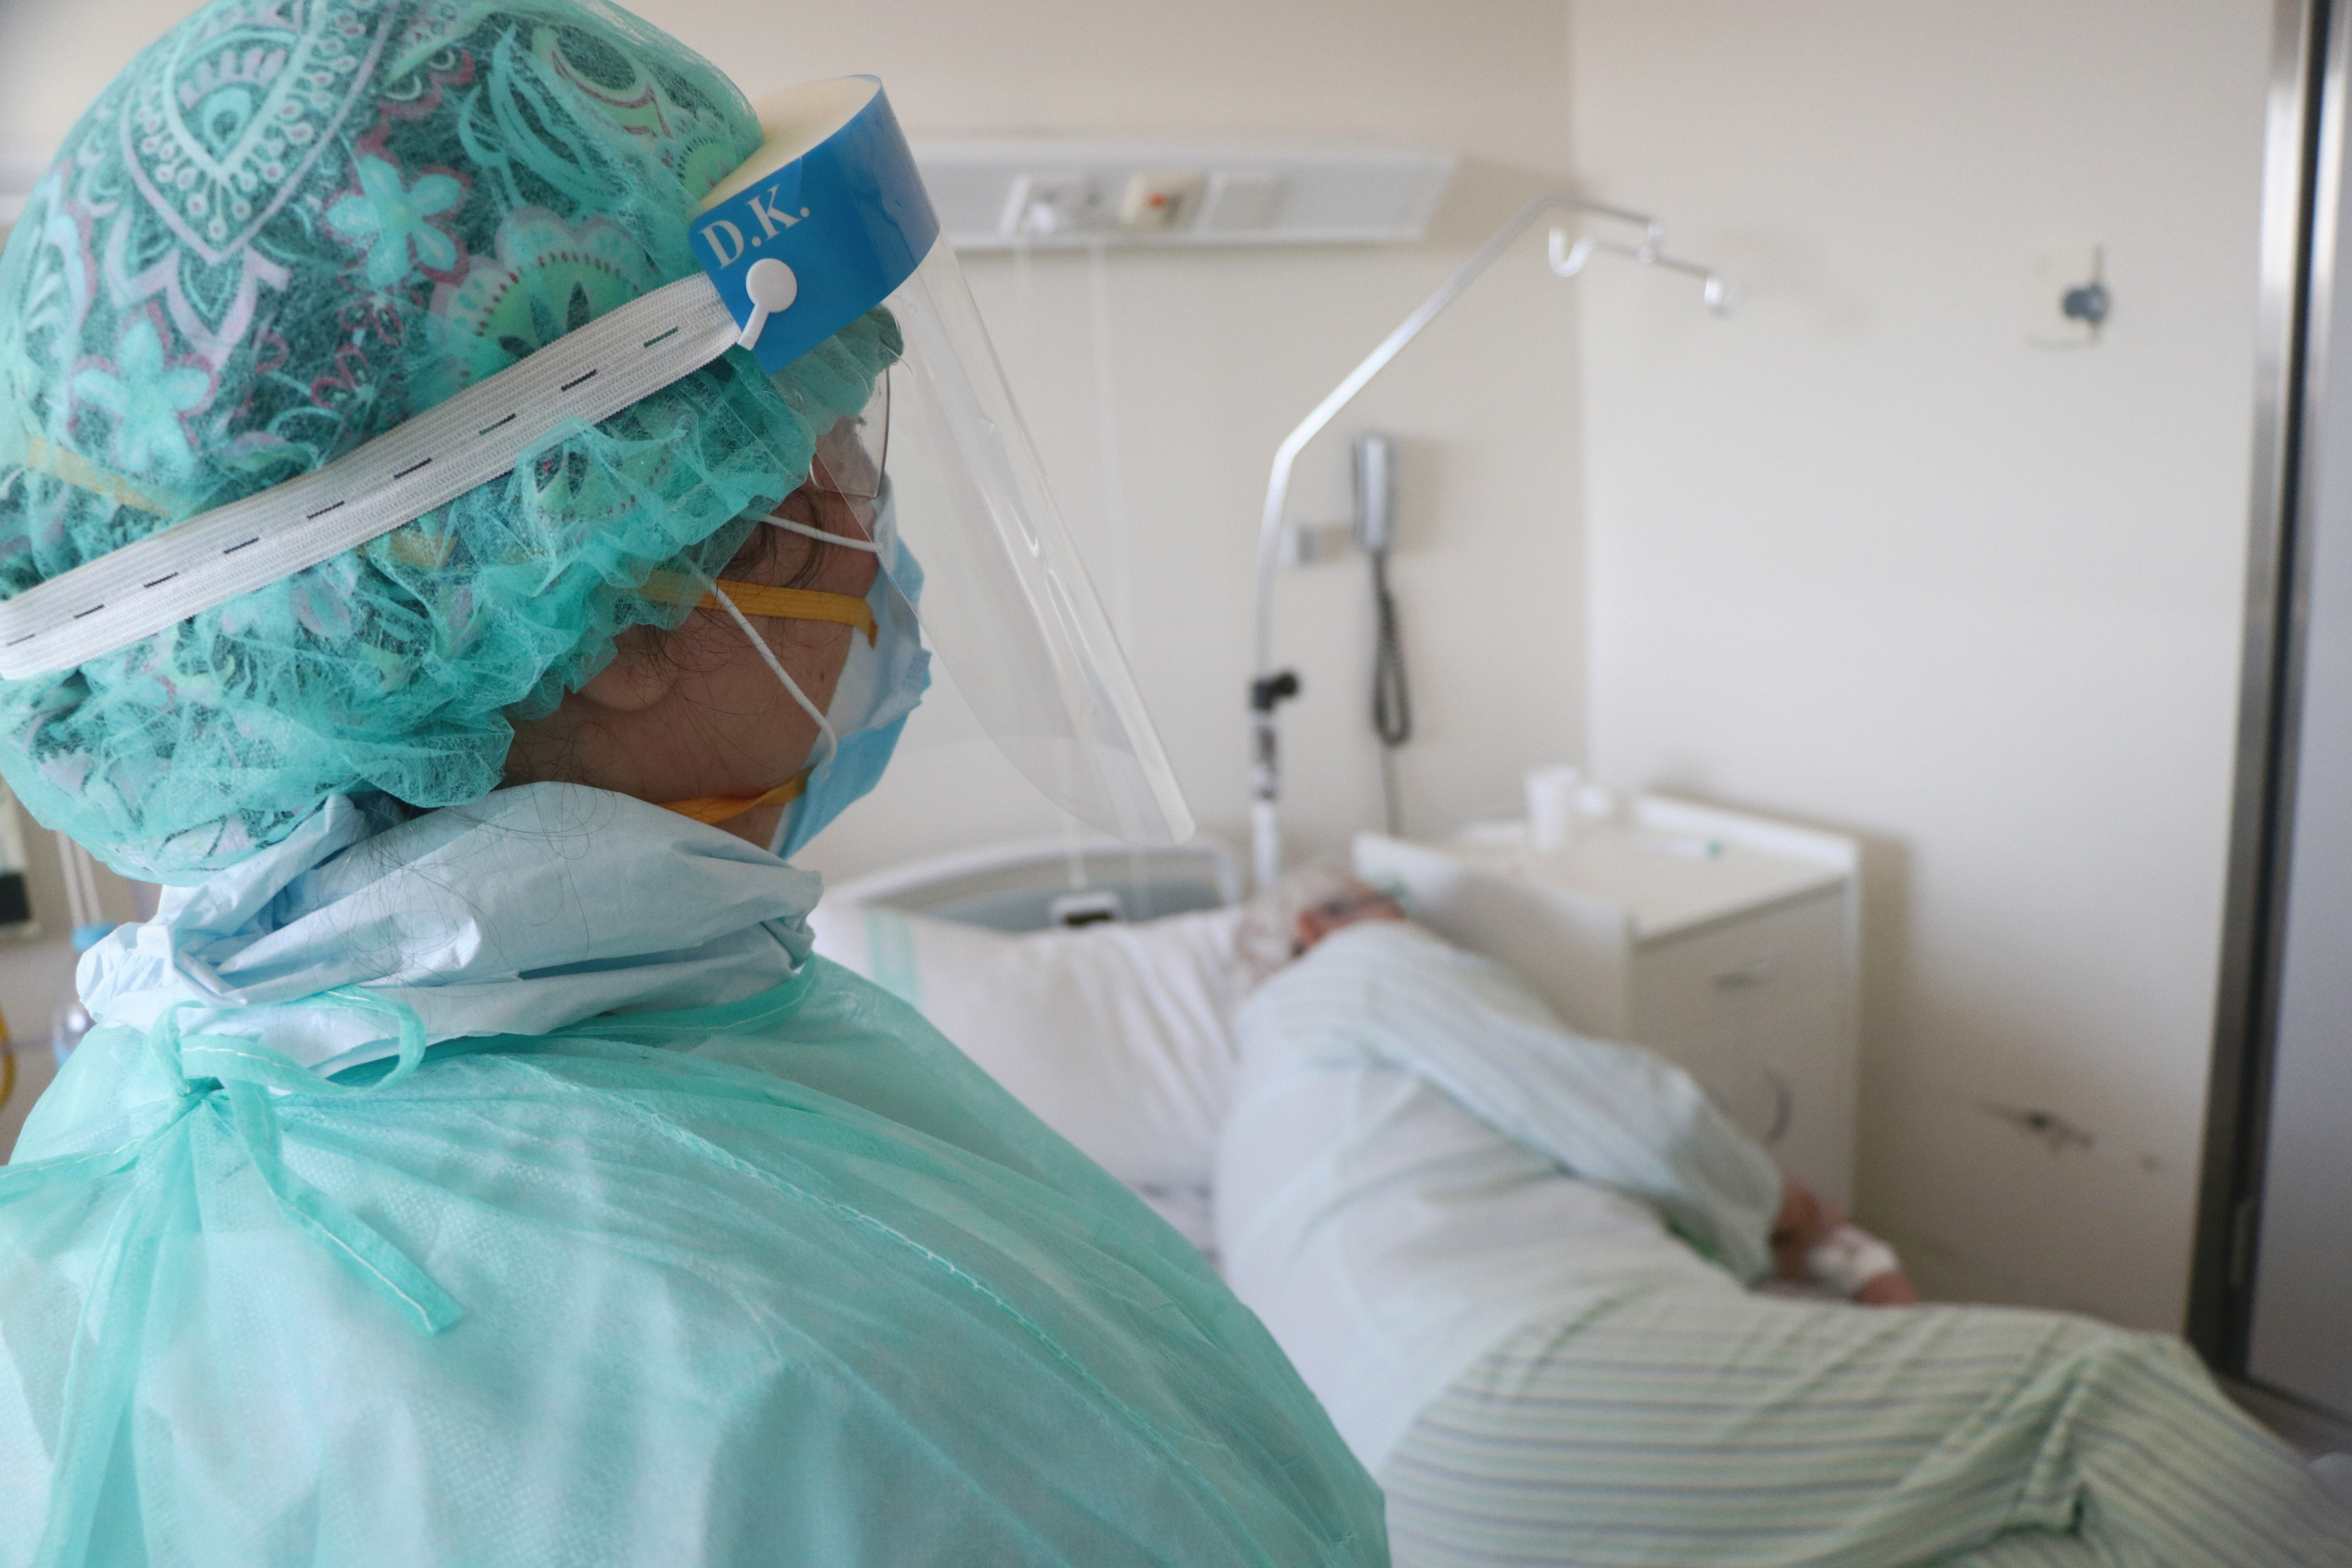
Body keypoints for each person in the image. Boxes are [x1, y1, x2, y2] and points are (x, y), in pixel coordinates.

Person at [0, 4, 1385, 1563]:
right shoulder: (834, 1377)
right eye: (820, 458)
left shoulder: (128, 1155)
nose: (870, 530)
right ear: (610, 602)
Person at [1220, 886, 2352, 1568]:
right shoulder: (1360, 967)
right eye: (1393, 905)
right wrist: (1787, 1207)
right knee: (2102, 1396)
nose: (1415, 922)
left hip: (1410, 1517)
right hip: (1509, 1398)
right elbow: (1638, 1121)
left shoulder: (1253, 1147)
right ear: (1325, 920)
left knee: (2004, 1542)